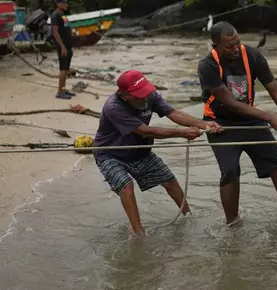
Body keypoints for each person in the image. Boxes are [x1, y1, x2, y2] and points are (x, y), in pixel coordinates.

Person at [197, 21, 277, 225]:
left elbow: (276, 91)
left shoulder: (253, 56)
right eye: (229, 47)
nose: (235, 49)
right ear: (216, 46)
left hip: (251, 120)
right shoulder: (208, 66)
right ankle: (233, 226)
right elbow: (231, 103)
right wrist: (269, 117)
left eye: (237, 43)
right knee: (230, 170)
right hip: (220, 125)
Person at [93, 70, 222, 235]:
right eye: (139, 96)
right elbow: (145, 131)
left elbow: (174, 113)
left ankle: (189, 217)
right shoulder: (113, 107)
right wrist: (182, 133)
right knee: (126, 186)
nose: (144, 98)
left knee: (170, 181)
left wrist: (203, 124)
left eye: (145, 93)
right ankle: (139, 234)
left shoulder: (150, 95)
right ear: (125, 96)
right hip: (110, 154)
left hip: (140, 150)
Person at [51, 0, 76, 99]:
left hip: (68, 45)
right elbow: (55, 32)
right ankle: (59, 92)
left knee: (66, 69)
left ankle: (63, 88)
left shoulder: (63, 15)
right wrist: (62, 47)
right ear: (58, 4)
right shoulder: (55, 15)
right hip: (63, 46)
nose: (66, 4)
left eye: (66, 2)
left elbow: (65, 29)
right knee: (63, 68)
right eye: (64, 3)